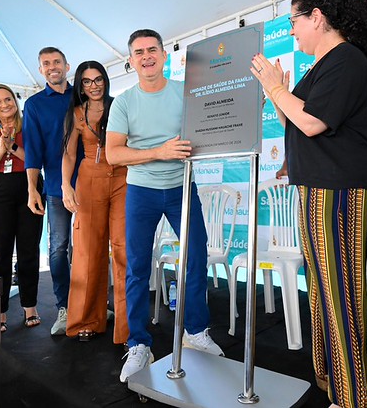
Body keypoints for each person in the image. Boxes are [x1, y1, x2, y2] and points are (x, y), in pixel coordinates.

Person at [252, 0, 367, 408]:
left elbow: (312, 122)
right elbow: (297, 122)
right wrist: (277, 93)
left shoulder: (346, 59)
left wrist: (276, 88)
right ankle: (334, 386)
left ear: (318, 17)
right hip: (316, 188)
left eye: (295, 20)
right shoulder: (323, 65)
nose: (291, 30)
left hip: (338, 190)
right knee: (325, 295)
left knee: (341, 297)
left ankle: (355, 399)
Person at [106, 29, 223, 383]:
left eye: (152, 49)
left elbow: (210, 131)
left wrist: (241, 116)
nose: (146, 56)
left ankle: (195, 332)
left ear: (164, 55)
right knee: (137, 267)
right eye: (139, 52)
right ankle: (139, 343)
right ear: (131, 61)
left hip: (181, 188)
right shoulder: (124, 102)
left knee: (196, 257)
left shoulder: (185, 93)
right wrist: (159, 152)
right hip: (141, 190)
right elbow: (113, 154)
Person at [62, 61, 129, 343]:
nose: (94, 86)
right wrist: (65, 185)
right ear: (80, 85)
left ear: (105, 80)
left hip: (123, 177)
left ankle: (127, 329)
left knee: (124, 250)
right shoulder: (76, 113)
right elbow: (69, 154)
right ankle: (85, 321)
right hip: (89, 179)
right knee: (88, 252)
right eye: (87, 81)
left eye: (98, 79)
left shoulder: (120, 105)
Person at [0, 83, 44, 333]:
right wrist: (1, 150)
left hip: (30, 185)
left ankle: (30, 307)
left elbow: (38, 158)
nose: (5, 105)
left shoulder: (30, 125)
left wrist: (12, 147)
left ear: (15, 100)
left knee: (29, 250)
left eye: (8, 99)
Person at [23, 46, 82, 336]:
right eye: (46, 63)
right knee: (58, 248)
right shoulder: (34, 104)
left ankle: (91, 304)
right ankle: (65, 307)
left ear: (67, 66)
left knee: (90, 247)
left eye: (57, 61)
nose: (52, 67)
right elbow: (32, 150)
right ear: (40, 70)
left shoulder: (82, 95)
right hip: (56, 189)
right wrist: (32, 189)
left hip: (91, 184)